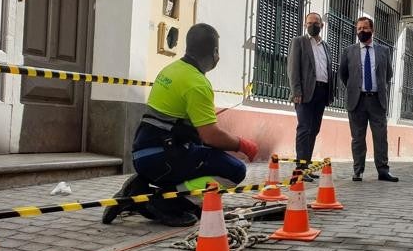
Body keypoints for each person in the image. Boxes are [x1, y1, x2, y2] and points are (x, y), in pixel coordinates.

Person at [103, 23, 259, 227]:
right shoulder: (197, 83)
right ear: (214, 52)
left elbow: (177, 123)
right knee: (235, 169)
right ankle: (167, 202)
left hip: (142, 154)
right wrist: (242, 144)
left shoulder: (170, 70)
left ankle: (139, 192)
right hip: (164, 157)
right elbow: (211, 136)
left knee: (203, 156)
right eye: (217, 52)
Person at [339, 17, 398, 182]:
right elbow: (344, 75)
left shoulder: (383, 51)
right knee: (358, 138)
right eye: (358, 29)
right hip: (356, 101)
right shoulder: (348, 51)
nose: (361, 31)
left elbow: (388, 74)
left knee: (381, 137)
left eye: (365, 28)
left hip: (377, 101)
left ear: (372, 30)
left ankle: (383, 171)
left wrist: (376, 86)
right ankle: (358, 171)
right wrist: (356, 87)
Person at [287, 12, 334, 182]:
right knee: (304, 128)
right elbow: (293, 69)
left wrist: (330, 92)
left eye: (315, 23)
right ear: (305, 25)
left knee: (314, 129)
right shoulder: (299, 42)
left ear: (321, 25)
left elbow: (328, 70)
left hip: (321, 92)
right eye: (309, 23)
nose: (312, 25)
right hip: (305, 93)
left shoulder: (325, 46)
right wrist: (296, 92)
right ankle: (300, 168)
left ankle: (306, 166)